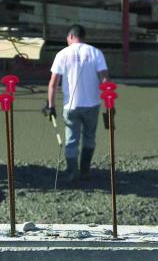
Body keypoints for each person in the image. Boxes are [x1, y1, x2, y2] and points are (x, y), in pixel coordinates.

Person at [46, 24, 110, 182]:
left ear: (70, 37)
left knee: (71, 140)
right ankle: (85, 170)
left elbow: (53, 83)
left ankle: (72, 172)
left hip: (70, 106)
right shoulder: (96, 53)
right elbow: (105, 80)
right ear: (83, 37)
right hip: (92, 105)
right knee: (89, 137)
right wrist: (109, 104)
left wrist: (51, 106)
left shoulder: (62, 54)